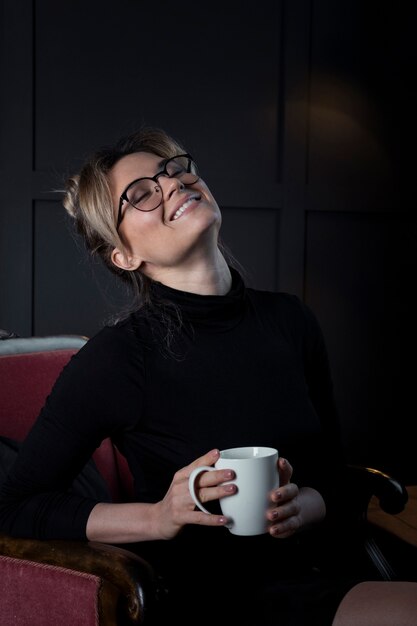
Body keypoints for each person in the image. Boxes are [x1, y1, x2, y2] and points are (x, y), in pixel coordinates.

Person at [0, 126, 416, 626]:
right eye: (141, 194)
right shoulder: (120, 356)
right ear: (125, 256)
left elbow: (330, 469)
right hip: (228, 596)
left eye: (174, 169)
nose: (173, 183)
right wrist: (159, 515)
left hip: (332, 560)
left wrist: (306, 504)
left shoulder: (290, 320)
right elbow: (15, 507)